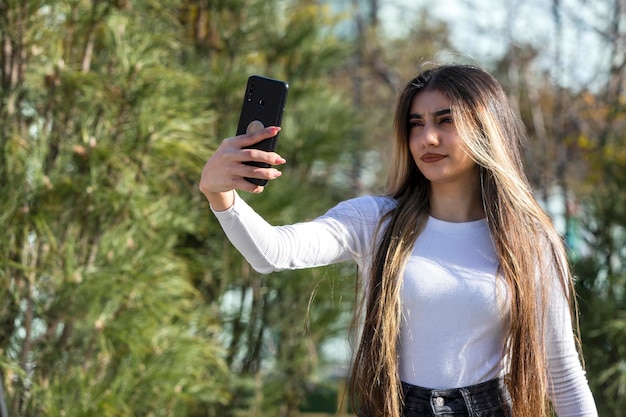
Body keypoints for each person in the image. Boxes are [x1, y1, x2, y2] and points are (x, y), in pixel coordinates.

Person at [199, 64, 598, 417]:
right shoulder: (376, 220)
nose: (427, 138)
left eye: (445, 121)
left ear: (486, 128)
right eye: (416, 124)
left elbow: (562, 375)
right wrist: (222, 196)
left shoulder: (529, 241)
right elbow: (272, 252)